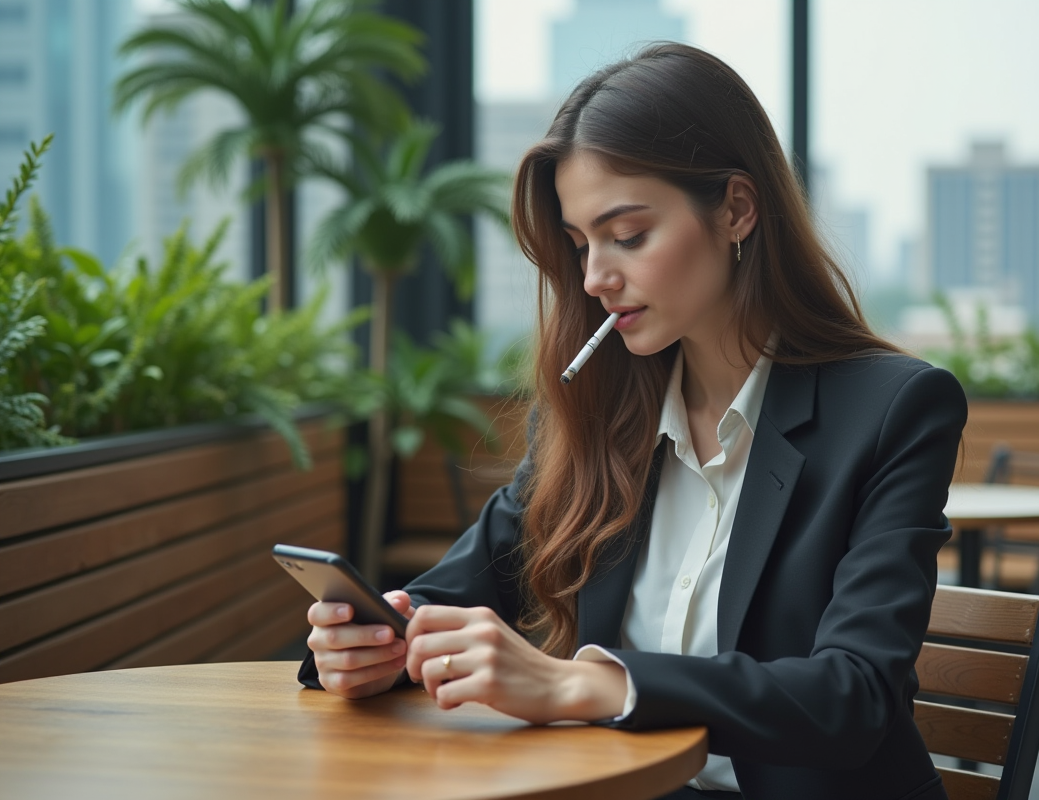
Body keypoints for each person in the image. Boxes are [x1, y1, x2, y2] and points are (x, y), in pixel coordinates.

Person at [300, 42, 966, 800]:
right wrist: (367, 642)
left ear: (737, 210)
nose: (594, 278)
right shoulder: (595, 416)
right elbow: (451, 595)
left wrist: (588, 686)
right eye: (581, 244)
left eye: (628, 235)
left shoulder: (892, 410)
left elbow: (854, 697)